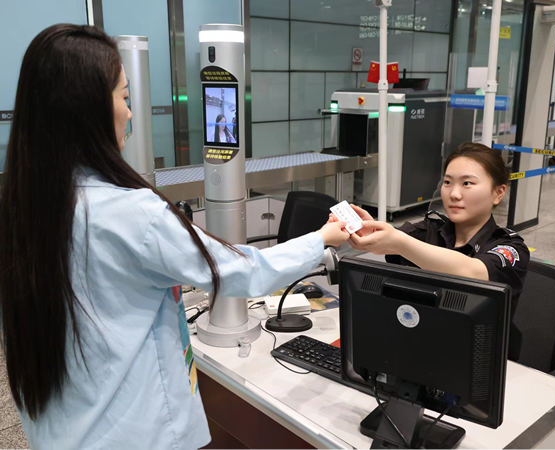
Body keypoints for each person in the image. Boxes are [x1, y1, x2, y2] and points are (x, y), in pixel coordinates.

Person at [0, 24, 349, 449]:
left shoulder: (24, 210)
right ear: (87, 109)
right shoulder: (131, 213)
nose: (131, 113)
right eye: (124, 97)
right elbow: (242, 270)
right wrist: (323, 238)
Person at [331, 142, 529, 359]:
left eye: (467, 183)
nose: (454, 194)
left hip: (479, 358)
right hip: (419, 346)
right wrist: (370, 232)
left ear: (498, 193)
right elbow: (392, 240)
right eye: (447, 182)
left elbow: (473, 272)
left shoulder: (510, 247)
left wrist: (400, 243)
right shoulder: (429, 230)